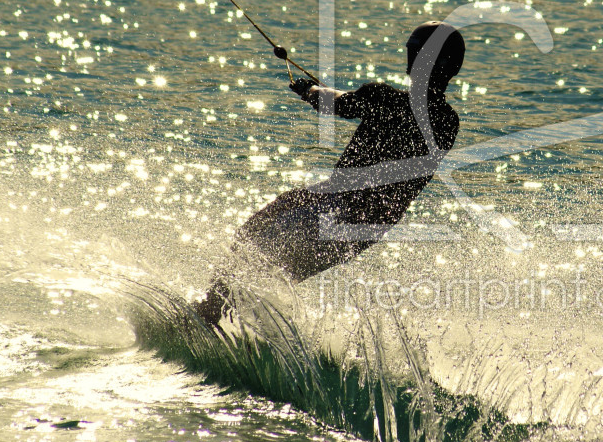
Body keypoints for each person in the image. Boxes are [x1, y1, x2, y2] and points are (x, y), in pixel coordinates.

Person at [195, 21, 464, 324]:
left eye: (417, 53)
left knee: (255, 240)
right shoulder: (447, 122)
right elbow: (350, 101)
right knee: (274, 266)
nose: (412, 58)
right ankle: (232, 323)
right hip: (370, 225)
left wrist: (308, 90)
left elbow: (341, 104)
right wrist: (319, 91)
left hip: (339, 205)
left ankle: (208, 315)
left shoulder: (384, 98)